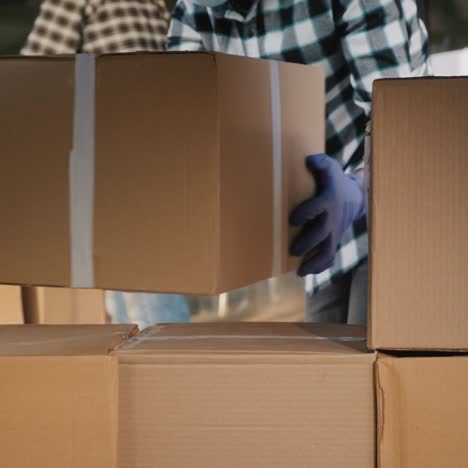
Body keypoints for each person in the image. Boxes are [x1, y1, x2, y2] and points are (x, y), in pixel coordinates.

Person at [167, 0, 430, 325]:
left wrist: (359, 189)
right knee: (325, 367)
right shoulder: (193, 11)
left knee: (380, 357)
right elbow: (186, 131)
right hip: (319, 241)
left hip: (395, 214)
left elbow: (404, 124)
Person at [22, 0, 191, 328]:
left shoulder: (164, 7)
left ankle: (157, 361)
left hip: (145, 154)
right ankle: (159, 358)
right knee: (140, 274)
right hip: (125, 153)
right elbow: (37, 67)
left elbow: (35, 68)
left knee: (138, 278)